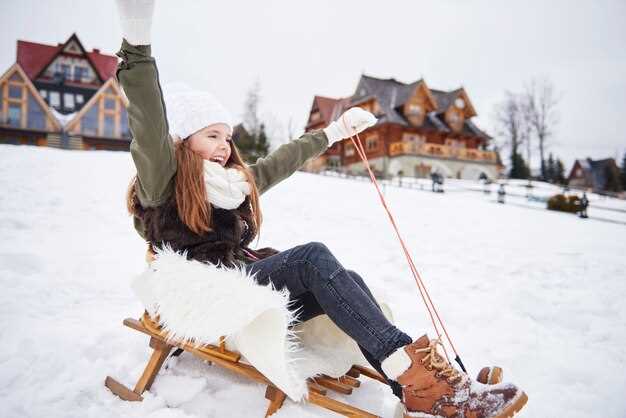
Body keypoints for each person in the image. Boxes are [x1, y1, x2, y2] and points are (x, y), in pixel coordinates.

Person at [115, 1, 527, 416]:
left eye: (228, 137)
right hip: (212, 298)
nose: (225, 147)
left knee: (348, 279)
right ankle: (416, 375)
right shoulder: (162, 180)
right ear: (182, 141)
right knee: (311, 257)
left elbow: (280, 161)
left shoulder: (233, 185)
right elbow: (147, 118)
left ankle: (416, 386)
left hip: (244, 288)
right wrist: (137, 40)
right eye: (212, 136)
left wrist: (333, 132)